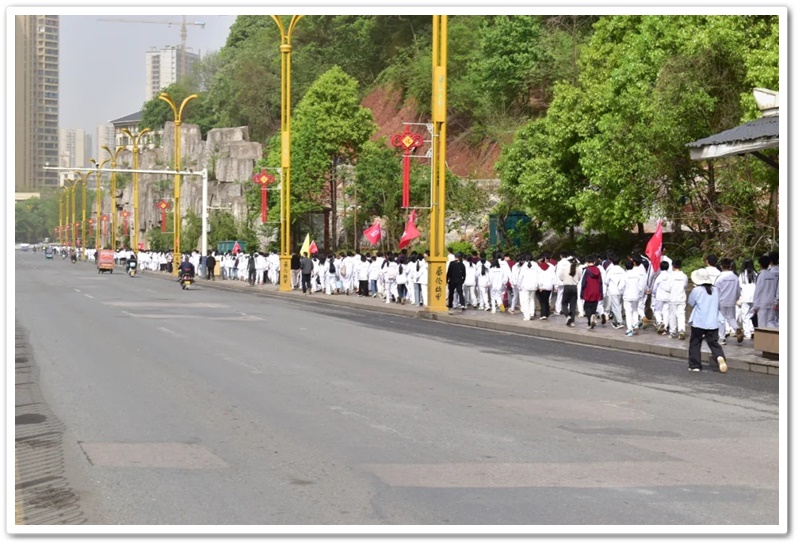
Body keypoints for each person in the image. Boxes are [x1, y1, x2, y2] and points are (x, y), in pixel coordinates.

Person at [687, 268, 727, 373]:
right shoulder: (715, 290)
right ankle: (719, 356)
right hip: (713, 321)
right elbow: (718, 305)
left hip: (699, 321)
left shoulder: (697, 290)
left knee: (695, 343)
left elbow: (691, 302)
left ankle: (695, 365)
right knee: (713, 343)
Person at [715, 258, 740, 344]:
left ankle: (722, 338)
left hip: (721, 300)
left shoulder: (719, 277)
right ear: (730, 266)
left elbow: (716, 290)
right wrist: (736, 298)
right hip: (732, 300)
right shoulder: (735, 277)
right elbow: (738, 290)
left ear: (721, 266)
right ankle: (737, 328)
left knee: (721, 319)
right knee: (731, 318)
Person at [752, 252, 779, 328]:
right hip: (771, 301)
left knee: (762, 323)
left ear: (760, 264)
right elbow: (776, 289)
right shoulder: (771, 275)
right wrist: (776, 301)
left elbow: (758, 291)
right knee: (770, 322)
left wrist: (755, 305)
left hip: (762, 303)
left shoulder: (760, 275)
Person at [579, 255, 604, 329]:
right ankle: (593, 315)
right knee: (594, 306)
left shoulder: (586, 270)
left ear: (587, 262)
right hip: (596, 290)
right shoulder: (598, 270)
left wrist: (582, 292)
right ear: (594, 262)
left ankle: (590, 320)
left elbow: (583, 282)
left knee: (586, 306)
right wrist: (601, 292)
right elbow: (600, 282)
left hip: (588, 290)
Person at [666, 260, 688, 340]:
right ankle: (681, 330)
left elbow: (668, 288)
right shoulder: (684, 276)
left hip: (672, 298)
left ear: (673, 266)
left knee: (672, 316)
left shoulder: (670, 276)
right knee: (681, 315)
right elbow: (685, 286)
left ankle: (672, 332)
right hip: (682, 298)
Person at [737, 258, 758, 341]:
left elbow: (739, 286)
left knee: (745, 315)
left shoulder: (742, 275)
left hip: (745, 297)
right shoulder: (755, 274)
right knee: (751, 315)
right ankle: (752, 330)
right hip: (754, 297)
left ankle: (747, 333)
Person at [558, 257, 581, 327]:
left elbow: (560, 277)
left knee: (564, 303)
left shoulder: (564, 268)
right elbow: (579, 278)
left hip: (567, 287)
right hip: (574, 287)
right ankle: (572, 321)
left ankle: (568, 316)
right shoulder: (578, 269)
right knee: (573, 305)